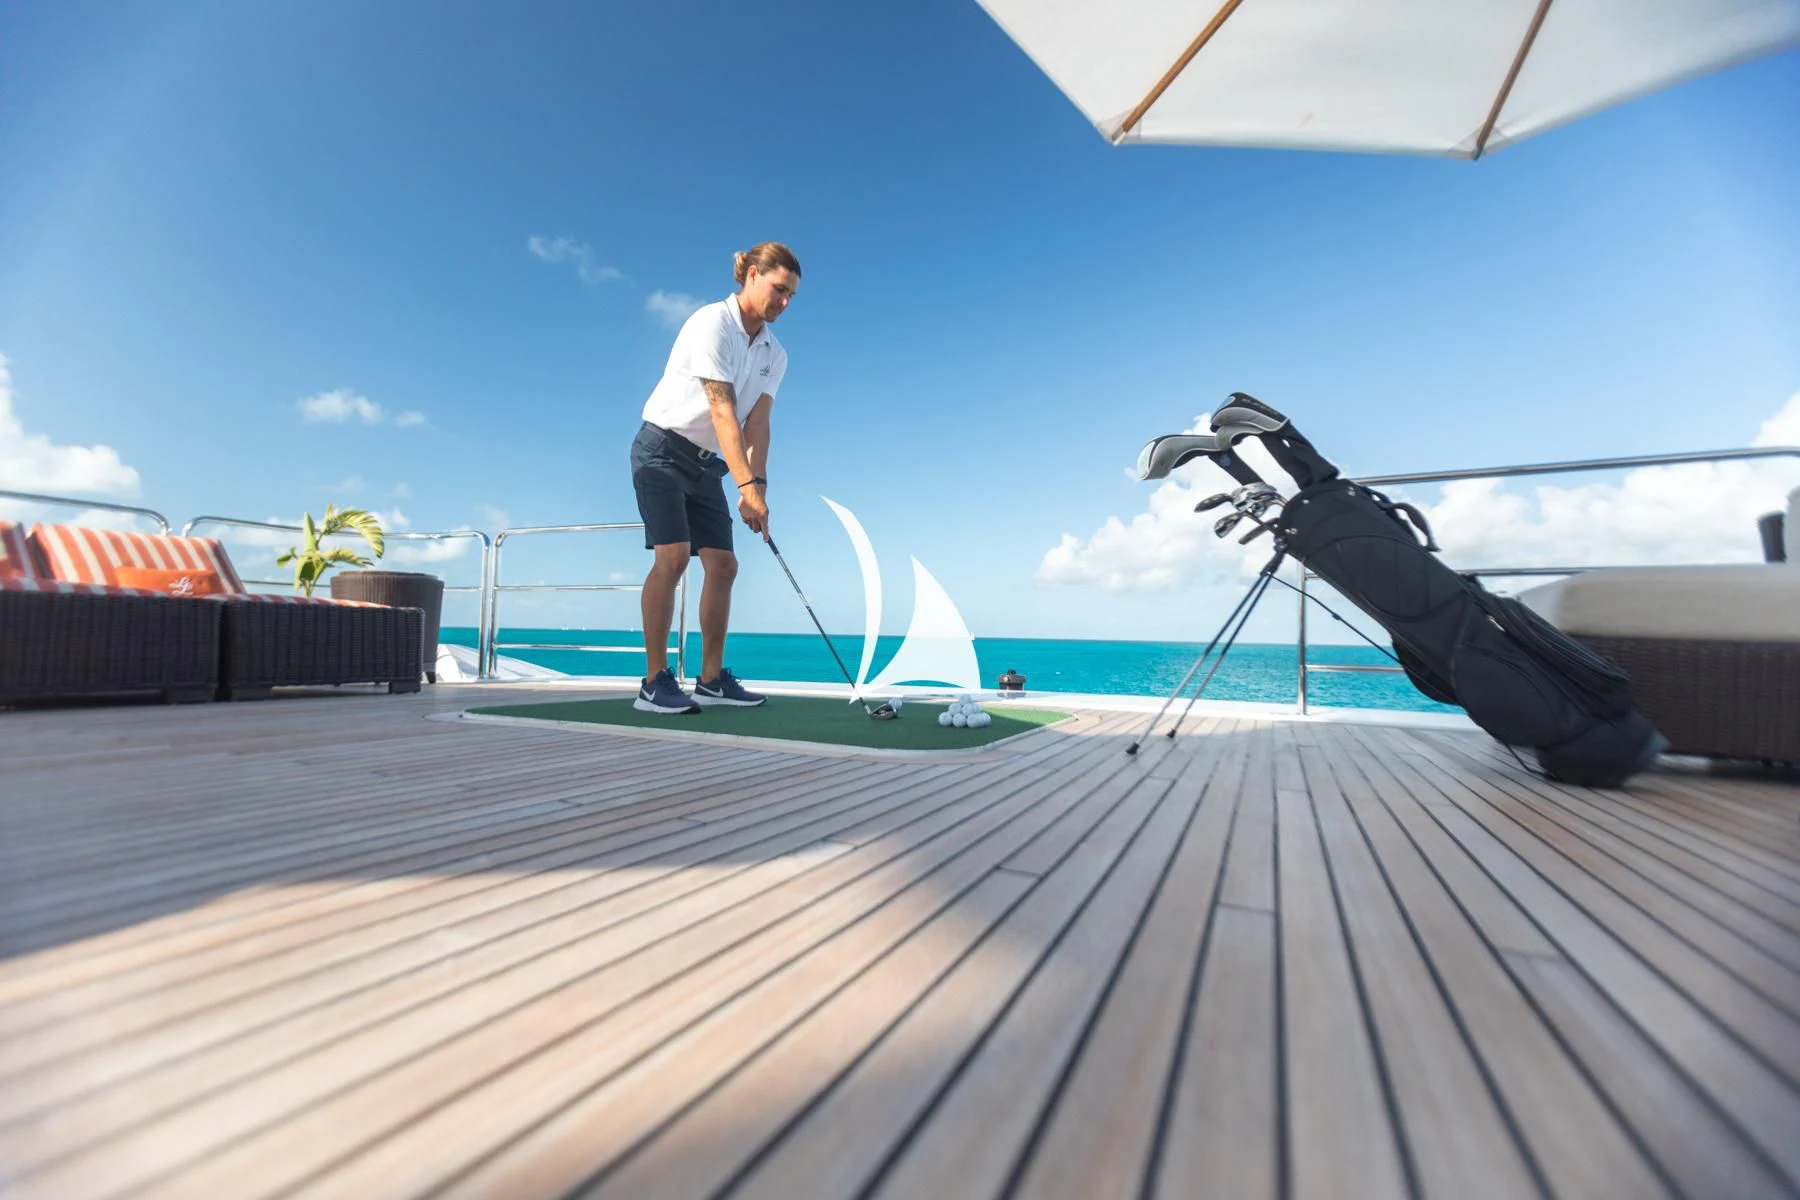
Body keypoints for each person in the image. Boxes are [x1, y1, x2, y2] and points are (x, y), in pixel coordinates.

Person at [628, 241, 799, 714]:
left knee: (724, 565)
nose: (783, 303)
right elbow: (722, 410)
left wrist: (757, 487)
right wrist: (744, 488)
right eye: (777, 290)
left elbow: (756, 423)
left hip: (707, 466)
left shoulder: (775, 353)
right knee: (675, 557)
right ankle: (654, 681)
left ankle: (710, 680)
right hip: (661, 449)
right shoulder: (711, 323)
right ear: (750, 276)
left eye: (790, 296)